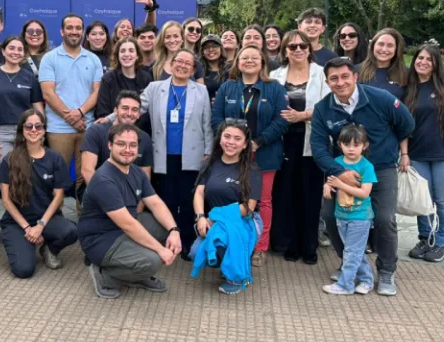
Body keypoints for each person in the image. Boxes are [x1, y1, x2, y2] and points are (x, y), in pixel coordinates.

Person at [311, 57, 415, 296]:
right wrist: (340, 173)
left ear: (355, 77)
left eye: (345, 76)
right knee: (330, 215)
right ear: (327, 82)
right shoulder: (323, 109)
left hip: (380, 169)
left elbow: (407, 125)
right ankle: (350, 264)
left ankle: (387, 271)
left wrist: (387, 149)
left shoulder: (381, 99)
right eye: (334, 78)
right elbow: (318, 148)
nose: (340, 82)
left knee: (384, 219)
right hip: (343, 172)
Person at [79, 124, 183, 299]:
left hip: (123, 228)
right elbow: (128, 225)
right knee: (152, 260)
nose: (127, 150)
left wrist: (174, 230)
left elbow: (156, 203)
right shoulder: (104, 179)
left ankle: (136, 271)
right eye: (121, 144)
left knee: (165, 227)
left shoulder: (136, 172)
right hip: (101, 239)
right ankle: (106, 277)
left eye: (132, 145)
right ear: (110, 146)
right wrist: (160, 250)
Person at [212, 45, 289, 266]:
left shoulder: (274, 88)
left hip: (264, 153)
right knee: (232, 198)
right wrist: (231, 143)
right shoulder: (228, 87)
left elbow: (282, 120)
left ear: (262, 62)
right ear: (237, 62)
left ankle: (259, 247)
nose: (249, 61)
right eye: (244, 57)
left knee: (262, 201)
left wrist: (258, 142)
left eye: (254, 57)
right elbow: (216, 118)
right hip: (231, 155)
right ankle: (230, 241)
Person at [141, 49, 213, 255]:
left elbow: (207, 123)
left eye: (187, 63)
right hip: (163, 155)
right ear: (171, 64)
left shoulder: (201, 90)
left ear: (193, 69)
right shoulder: (155, 88)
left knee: (189, 200)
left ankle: (188, 243)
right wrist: (111, 119)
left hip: (193, 155)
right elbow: (133, 107)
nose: (182, 65)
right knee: (167, 198)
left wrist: (208, 150)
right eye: (178, 61)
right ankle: (169, 240)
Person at [403, 45, 444, 263]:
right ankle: (426, 238)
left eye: (429, 59)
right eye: (420, 58)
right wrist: (404, 153)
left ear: (436, 64)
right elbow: (402, 123)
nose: (423, 62)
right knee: (423, 199)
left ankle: (441, 243)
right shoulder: (409, 87)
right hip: (418, 152)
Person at [0, 110, 78, 278]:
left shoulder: (54, 158)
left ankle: (48, 248)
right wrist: (27, 228)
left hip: (46, 220)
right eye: (29, 126)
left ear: (44, 129)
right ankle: (22, 243)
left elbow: (58, 197)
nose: (34, 130)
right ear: (22, 130)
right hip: (17, 222)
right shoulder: (10, 159)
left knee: (71, 231)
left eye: (38, 126)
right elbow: (5, 200)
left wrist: (40, 226)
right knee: (23, 270)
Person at [270, 31, 329, 264]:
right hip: (284, 142)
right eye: (292, 46)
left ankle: (309, 246)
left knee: (311, 195)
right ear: (285, 50)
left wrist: (303, 116)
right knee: (287, 194)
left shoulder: (322, 75)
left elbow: (328, 108)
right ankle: (290, 244)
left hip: (312, 142)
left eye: (302, 46)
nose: (297, 50)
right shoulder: (275, 76)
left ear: (309, 48)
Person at [191, 121, 263, 294]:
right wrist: (200, 217)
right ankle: (230, 262)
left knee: (220, 245)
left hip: (244, 221)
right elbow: (199, 193)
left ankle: (237, 276)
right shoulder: (210, 163)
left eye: (237, 138)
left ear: (245, 144)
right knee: (196, 252)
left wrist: (215, 217)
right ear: (220, 138)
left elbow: (248, 207)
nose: (231, 142)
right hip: (213, 220)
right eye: (227, 136)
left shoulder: (252, 170)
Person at [39, 14, 103, 197]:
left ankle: (85, 217)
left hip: (87, 127)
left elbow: (97, 91)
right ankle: (54, 218)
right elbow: (48, 93)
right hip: (59, 128)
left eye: (78, 28)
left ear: (83, 32)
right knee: (57, 176)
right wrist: (72, 118)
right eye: (70, 28)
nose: (74, 32)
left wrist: (80, 112)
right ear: (62, 31)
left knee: (86, 176)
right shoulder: (49, 58)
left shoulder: (93, 59)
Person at [321, 124, 377, 295]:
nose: (351, 149)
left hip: (360, 216)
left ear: (364, 146)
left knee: (352, 251)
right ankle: (366, 280)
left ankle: (345, 284)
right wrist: (327, 186)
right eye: (347, 145)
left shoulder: (366, 167)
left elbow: (364, 193)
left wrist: (340, 184)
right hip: (341, 214)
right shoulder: (337, 163)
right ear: (340, 144)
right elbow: (330, 181)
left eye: (356, 145)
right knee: (353, 251)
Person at [0, 37, 44, 176]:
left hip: (27, 131)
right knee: (2, 172)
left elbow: (38, 109)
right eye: (11, 48)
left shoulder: (30, 77)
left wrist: (40, 131)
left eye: (20, 49)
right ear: (3, 51)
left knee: (27, 172)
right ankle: (2, 198)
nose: (16, 52)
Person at [359, 28, 444, 102]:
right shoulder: (355, 71)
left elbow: (428, 76)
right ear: (372, 46)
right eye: (381, 44)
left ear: (396, 50)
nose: (384, 49)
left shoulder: (407, 74)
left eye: (390, 45)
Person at [83, 90, 153, 185]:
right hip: (98, 191)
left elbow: (145, 177)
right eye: (125, 108)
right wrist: (107, 197)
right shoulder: (96, 131)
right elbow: (87, 170)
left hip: (130, 194)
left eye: (134, 110)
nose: (129, 113)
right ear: (115, 111)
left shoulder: (145, 138)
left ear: (139, 114)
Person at [95, 37, 152, 119]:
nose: (126, 54)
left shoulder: (146, 78)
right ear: (117, 55)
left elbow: (149, 111)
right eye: (122, 51)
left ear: (137, 56)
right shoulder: (108, 78)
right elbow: (102, 113)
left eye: (131, 51)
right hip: (114, 129)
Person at [199, 34, 227, 103]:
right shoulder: (198, 70)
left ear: (221, 49)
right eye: (206, 47)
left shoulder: (229, 69)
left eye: (214, 46)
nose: (210, 49)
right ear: (202, 52)